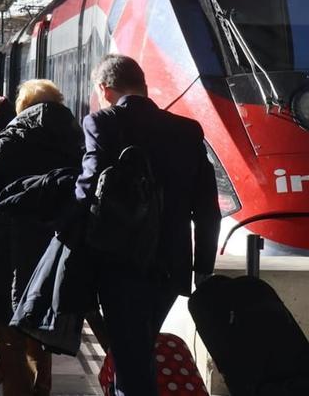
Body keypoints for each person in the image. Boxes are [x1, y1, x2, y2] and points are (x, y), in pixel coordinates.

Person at [75, 55, 221, 396]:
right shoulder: (187, 130)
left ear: (105, 89)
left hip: (118, 262)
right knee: (138, 349)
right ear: (142, 85)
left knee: (132, 356)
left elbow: (87, 189)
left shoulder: (101, 122)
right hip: (171, 266)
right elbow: (207, 208)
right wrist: (203, 267)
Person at [0, 79, 83, 396]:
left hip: (3, 253)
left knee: (9, 339)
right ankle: (41, 389)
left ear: (23, 108)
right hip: (56, 253)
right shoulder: (80, 143)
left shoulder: (8, 142)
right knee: (42, 333)